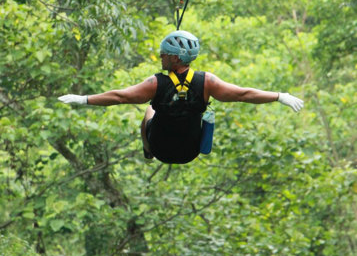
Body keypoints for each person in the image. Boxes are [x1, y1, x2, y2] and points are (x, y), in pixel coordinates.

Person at [58, 30, 304, 164]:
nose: (160, 56)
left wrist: (84, 99)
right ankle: (153, 145)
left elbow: (120, 97)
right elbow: (243, 94)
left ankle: (147, 150)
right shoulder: (207, 82)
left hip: (160, 148)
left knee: (148, 111)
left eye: (164, 53)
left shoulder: (155, 84)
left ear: (175, 58)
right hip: (190, 152)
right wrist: (279, 96)